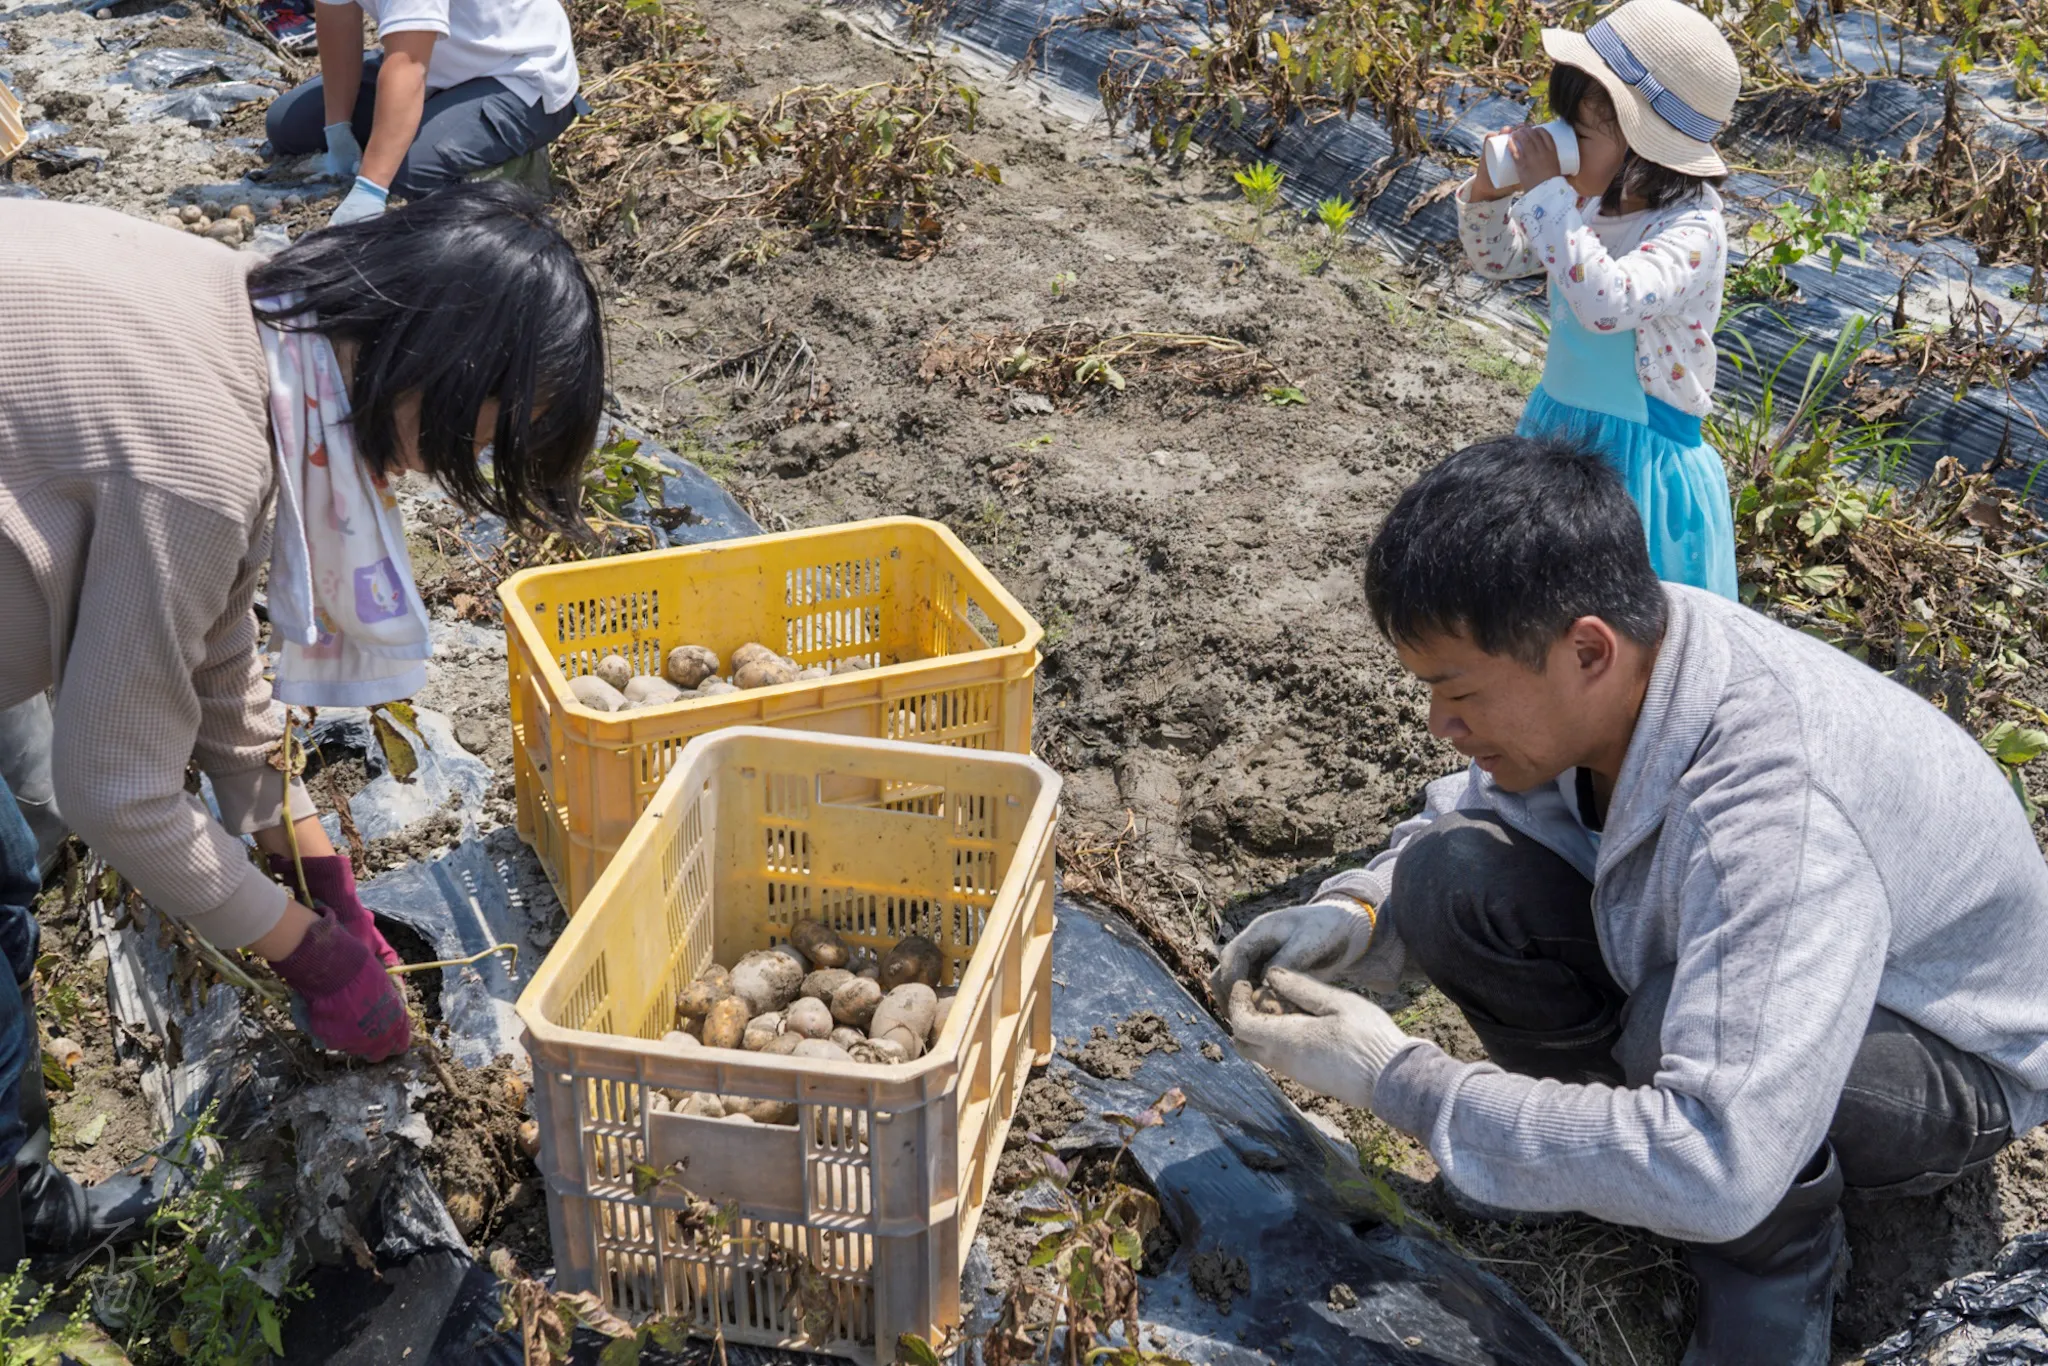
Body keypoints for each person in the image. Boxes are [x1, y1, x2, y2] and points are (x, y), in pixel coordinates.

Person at [1213, 436, 2048, 1365]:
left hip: (1951, 1052)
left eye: (1458, 694)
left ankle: (1780, 1257)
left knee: (1669, 1044)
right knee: (1446, 877)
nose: (1441, 728)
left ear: (1587, 650)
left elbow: (1721, 1158)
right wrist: (1358, 915)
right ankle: (1599, 1159)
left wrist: (1400, 1082)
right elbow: (1477, 811)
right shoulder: (1641, 653)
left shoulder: (1776, 815)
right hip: (1755, 969)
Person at [0, 182, 604, 1266]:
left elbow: (210, 634)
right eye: (462, 439)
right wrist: (308, 956)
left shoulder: (245, 320)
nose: (426, 473)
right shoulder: (202, 445)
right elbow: (115, 788)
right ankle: (16, 1224)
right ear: (439, 358)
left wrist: (309, 857)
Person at [1458, 0, 1740, 597]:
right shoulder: (1585, 203)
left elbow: (1608, 302)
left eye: (1578, 134)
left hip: (1637, 464)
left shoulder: (1691, 232)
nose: (1560, 141)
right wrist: (1487, 193)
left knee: (1625, 620)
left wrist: (1546, 196)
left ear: (1646, 148)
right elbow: (1499, 260)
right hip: (1557, 429)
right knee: (1542, 603)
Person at [264, 0, 583, 226]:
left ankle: (514, 166)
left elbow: (408, 65)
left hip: (516, 72)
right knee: (288, 125)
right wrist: (337, 129)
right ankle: (431, 123)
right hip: (438, 59)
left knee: (403, 174)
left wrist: (369, 189)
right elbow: (338, 23)